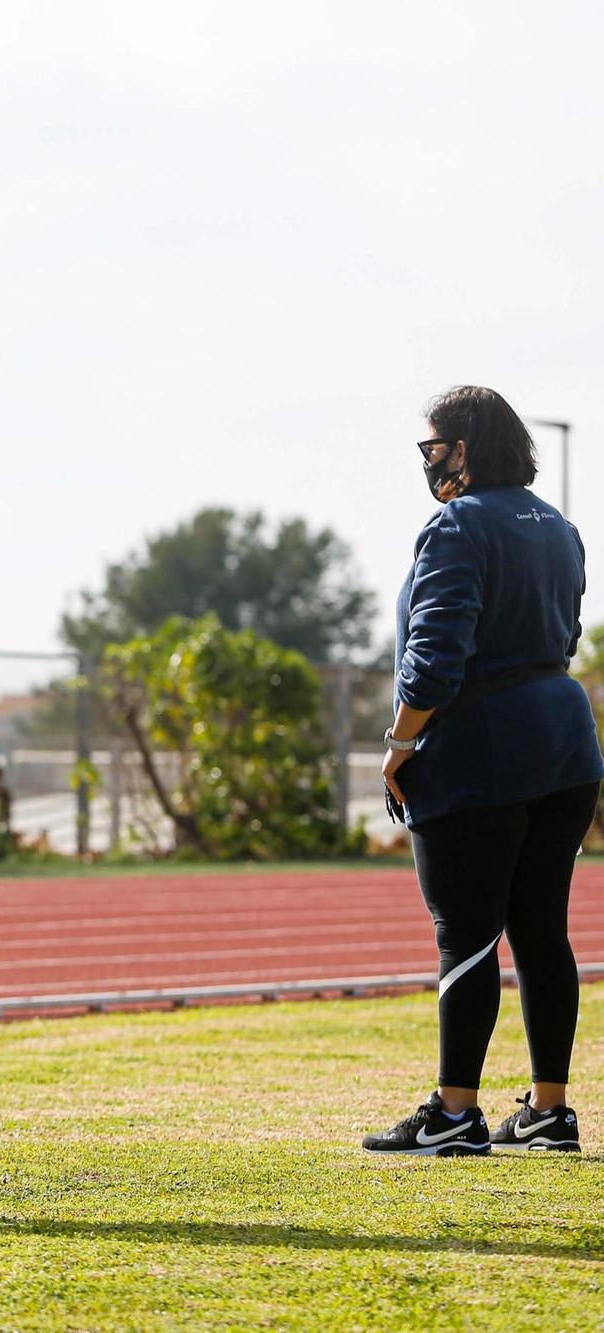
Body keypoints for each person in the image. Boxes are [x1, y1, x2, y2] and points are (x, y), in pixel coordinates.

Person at [363, 388, 603, 1155]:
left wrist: (399, 745)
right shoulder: (560, 527)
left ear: (463, 448)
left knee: (464, 931)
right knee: (541, 929)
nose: (429, 460)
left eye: (434, 445)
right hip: (566, 744)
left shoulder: (456, 522)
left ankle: (455, 1110)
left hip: (483, 748)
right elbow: (562, 633)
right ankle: (547, 1109)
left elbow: (434, 655)